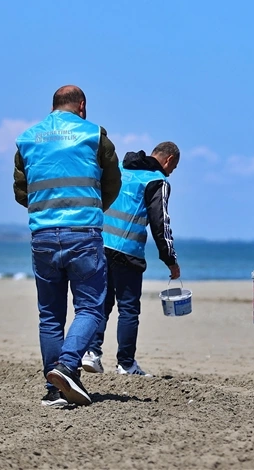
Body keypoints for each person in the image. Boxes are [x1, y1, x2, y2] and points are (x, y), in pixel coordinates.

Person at [13, 85, 122, 407]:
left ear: (53, 105)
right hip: (82, 232)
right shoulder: (94, 134)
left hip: (43, 235)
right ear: (82, 106)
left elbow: (21, 191)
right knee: (90, 308)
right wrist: (91, 209)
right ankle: (67, 366)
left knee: (50, 315)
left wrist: (47, 211)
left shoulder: (27, 138)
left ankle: (55, 389)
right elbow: (113, 181)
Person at [82, 142, 182, 376]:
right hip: (127, 251)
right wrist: (170, 259)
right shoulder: (157, 181)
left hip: (98, 243)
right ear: (168, 160)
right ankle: (126, 364)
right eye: (174, 167)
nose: (171, 172)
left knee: (101, 303)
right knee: (128, 309)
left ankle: (92, 353)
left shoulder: (119, 168)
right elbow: (161, 223)